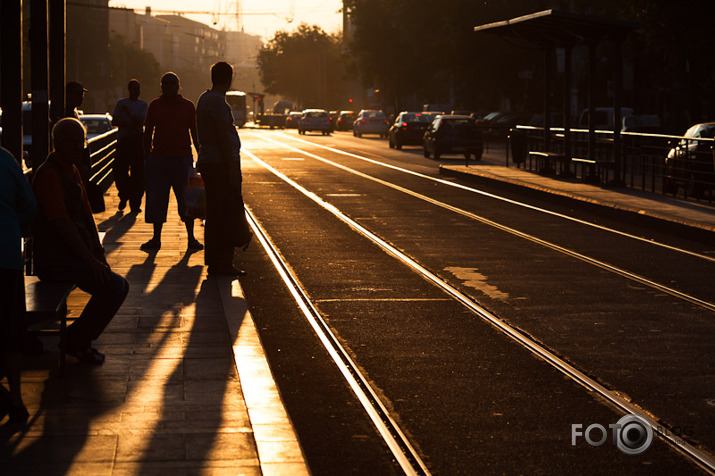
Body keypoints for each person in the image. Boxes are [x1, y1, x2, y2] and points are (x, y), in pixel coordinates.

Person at [32, 118, 129, 364]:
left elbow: (86, 217)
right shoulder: (49, 175)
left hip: (73, 257)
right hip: (56, 260)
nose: (79, 148)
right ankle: (76, 341)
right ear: (58, 144)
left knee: (115, 284)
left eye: (81, 143)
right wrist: (91, 262)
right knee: (114, 287)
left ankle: (78, 339)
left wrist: (98, 254)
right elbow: (63, 225)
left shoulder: (72, 172)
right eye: (73, 143)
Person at [196, 62, 252, 277]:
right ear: (229, 78)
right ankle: (224, 263)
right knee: (225, 213)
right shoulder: (218, 102)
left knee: (214, 214)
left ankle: (214, 260)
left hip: (210, 161)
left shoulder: (203, 98)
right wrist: (232, 170)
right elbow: (222, 135)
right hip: (220, 164)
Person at [141, 72, 203, 251]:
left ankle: (191, 239)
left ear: (178, 86)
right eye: (165, 84)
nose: (169, 86)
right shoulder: (154, 106)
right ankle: (156, 239)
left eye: (172, 84)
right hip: (159, 159)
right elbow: (147, 133)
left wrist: (200, 156)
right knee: (156, 200)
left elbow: (195, 134)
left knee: (187, 201)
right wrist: (147, 157)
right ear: (162, 86)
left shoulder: (188, 106)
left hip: (182, 159)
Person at [0, 146, 37, 424]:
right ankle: (16, 398)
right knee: (10, 332)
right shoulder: (5, 159)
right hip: (5, 256)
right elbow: (29, 205)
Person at [112, 79, 148, 213]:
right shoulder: (121, 103)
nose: (136, 91)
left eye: (138, 88)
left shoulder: (143, 104)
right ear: (129, 89)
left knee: (138, 174)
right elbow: (115, 120)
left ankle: (135, 203)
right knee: (119, 170)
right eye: (133, 88)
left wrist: (127, 116)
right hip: (124, 141)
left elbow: (142, 121)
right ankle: (124, 193)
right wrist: (131, 122)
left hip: (137, 142)